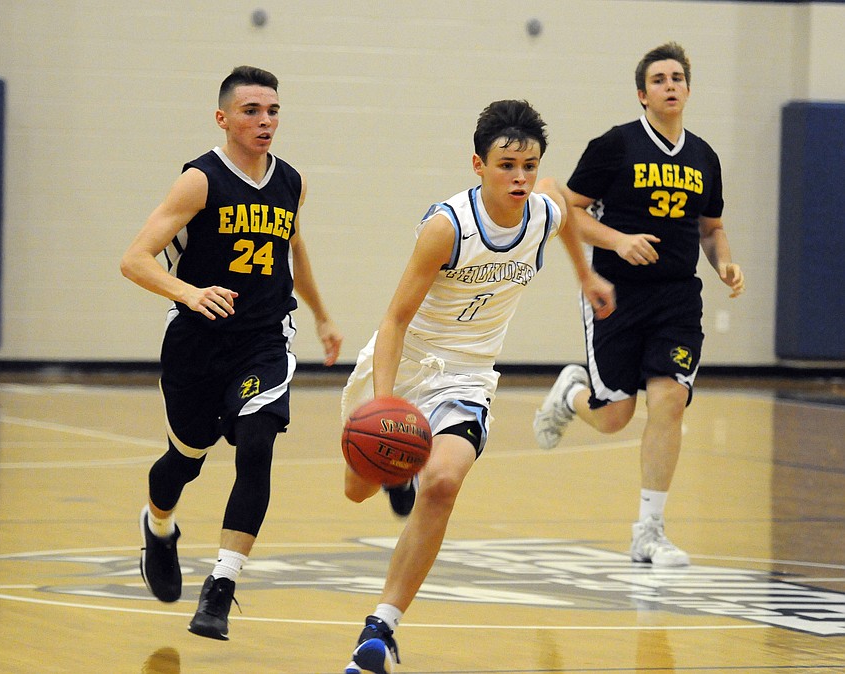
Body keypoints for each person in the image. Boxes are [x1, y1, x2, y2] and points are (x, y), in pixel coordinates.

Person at [340, 99, 614, 674]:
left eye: (530, 166)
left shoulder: (541, 210)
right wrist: (387, 403)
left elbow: (564, 209)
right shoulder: (448, 228)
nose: (520, 178)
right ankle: (398, 468)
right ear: (478, 165)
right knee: (356, 491)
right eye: (507, 165)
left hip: (466, 374)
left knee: (443, 482)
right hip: (403, 364)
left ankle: (381, 628)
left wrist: (586, 273)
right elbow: (394, 320)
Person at [120, 65, 342, 640]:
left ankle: (220, 587)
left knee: (258, 444)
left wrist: (319, 315)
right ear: (223, 118)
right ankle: (159, 526)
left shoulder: (292, 181)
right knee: (183, 462)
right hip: (198, 342)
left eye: (272, 111)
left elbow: (292, 249)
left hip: (265, 339)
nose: (265, 121)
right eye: (251, 111)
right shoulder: (199, 180)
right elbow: (135, 259)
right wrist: (190, 293)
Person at [534, 42, 745, 567]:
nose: (670, 85)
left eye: (678, 77)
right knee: (615, 418)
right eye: (659, 79)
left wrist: (724, 262)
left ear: (688, 90)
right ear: (642, 93)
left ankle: (649, 530)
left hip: (677, 297)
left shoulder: (704, 157)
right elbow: (568, 211)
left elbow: (711, 228)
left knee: (669, 399)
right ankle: (570, 394)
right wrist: (617, 240)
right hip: (616, 294)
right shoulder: (614, 145)